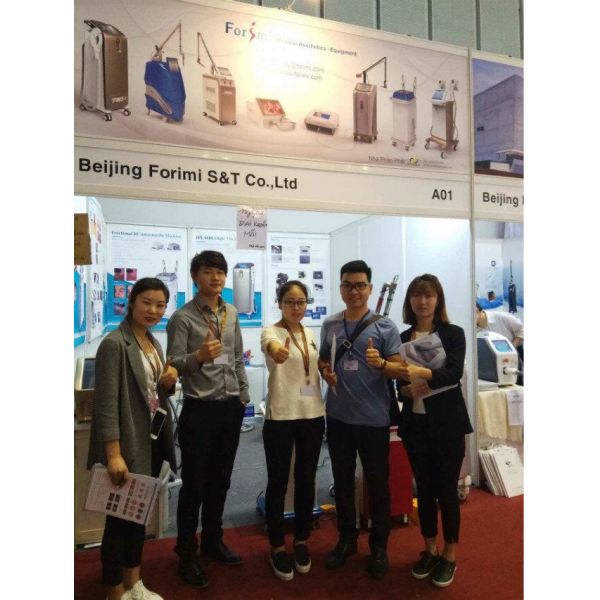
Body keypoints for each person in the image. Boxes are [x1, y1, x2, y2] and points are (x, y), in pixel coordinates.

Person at [367, 274, 473, 588]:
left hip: (448, 424)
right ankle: (429, 549)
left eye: (428, 295)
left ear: (438, 300)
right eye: (416, 295)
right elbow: (397, 384)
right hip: (416, 425)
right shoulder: (401, 337)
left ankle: (449, 554)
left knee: (446, 491)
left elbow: (453, 373)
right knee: (424, 490)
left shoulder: (453, 333)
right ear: (409, 300)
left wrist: (422, 372)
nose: (422, 301)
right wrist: (405, 390)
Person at [87, 277, 178, 600]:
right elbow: (106, 404)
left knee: (138, 514)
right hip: (126, 444)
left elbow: (154, 392)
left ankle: (133, 582)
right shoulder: (114, 344)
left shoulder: (153, 342)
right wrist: (113, 454)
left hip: (151, 439)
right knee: (118, 521)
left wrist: (169, 382)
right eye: (146, 302)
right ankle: (114, 591)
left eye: (160, 305)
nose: (153, 310)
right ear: (132, 302)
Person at [167, 250, 249, 589]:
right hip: (199, 410)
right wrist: (199, 356)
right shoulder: (182, 318)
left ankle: (213, 541)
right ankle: (186, 552)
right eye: (208, 271)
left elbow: (237, 357)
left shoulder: (231, 312)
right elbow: (174, 364)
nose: (215, 278)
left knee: (221, 480)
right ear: (195, 276)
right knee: (195, 485)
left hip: (230, 408)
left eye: (220, 272)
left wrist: (243, 395)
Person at [318, 260, 402, 580]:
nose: (354, 291)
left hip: (374, 420)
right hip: (339, 417)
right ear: (341, 288)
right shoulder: (330, 324)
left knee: (378, 485)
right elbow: (323, 361)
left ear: (369, 288)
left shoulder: (385, 327)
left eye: (360, 285)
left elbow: (398, 368)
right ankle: (347, 539)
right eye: (348, 285)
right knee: (342, 482)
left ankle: (379, 547)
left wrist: (381, 363)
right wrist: (325, 372)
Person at [260, 280, 325, 581]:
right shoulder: (271, 332)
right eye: (290, 302)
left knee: (306, 480)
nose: (296, 308)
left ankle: (301, 540)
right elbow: (271, 348)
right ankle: (276, 546)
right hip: (281, 416)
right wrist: (277, 352)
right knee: (278, 482)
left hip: (312, 414)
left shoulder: (310, 334)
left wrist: (327, 373)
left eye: (301, 302)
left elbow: (313, 368)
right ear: (280, 304)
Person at [475, 302, 524, 384]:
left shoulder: (502, 317)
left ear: (477, 311)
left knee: (515, 382)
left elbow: (522, 331)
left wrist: (511, 348)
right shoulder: (473, 328)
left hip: (513, 354)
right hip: (490, 359)